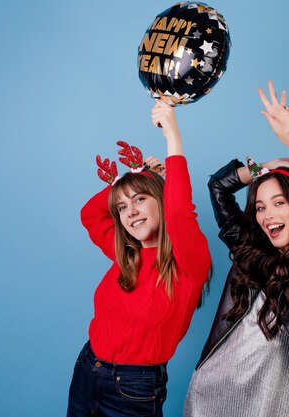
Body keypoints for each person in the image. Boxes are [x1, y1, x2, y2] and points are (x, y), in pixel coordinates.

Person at [183, 81, 289, 417]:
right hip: (214, 393)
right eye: (260, 207)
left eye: (278, 203)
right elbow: (218, 187)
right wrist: (263, 168)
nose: (267, 214)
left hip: (278, 401)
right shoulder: (248, 248)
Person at [67, 101, 212, 417]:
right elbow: (90, 214)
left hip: (132, 389)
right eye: (121, 207)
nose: (130, 211)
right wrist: (136, 178)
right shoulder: (125, 254)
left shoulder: (189, 266)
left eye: (140, 199)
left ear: (161, 199)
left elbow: (178, 213)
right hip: (86, 368)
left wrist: (172, 136)